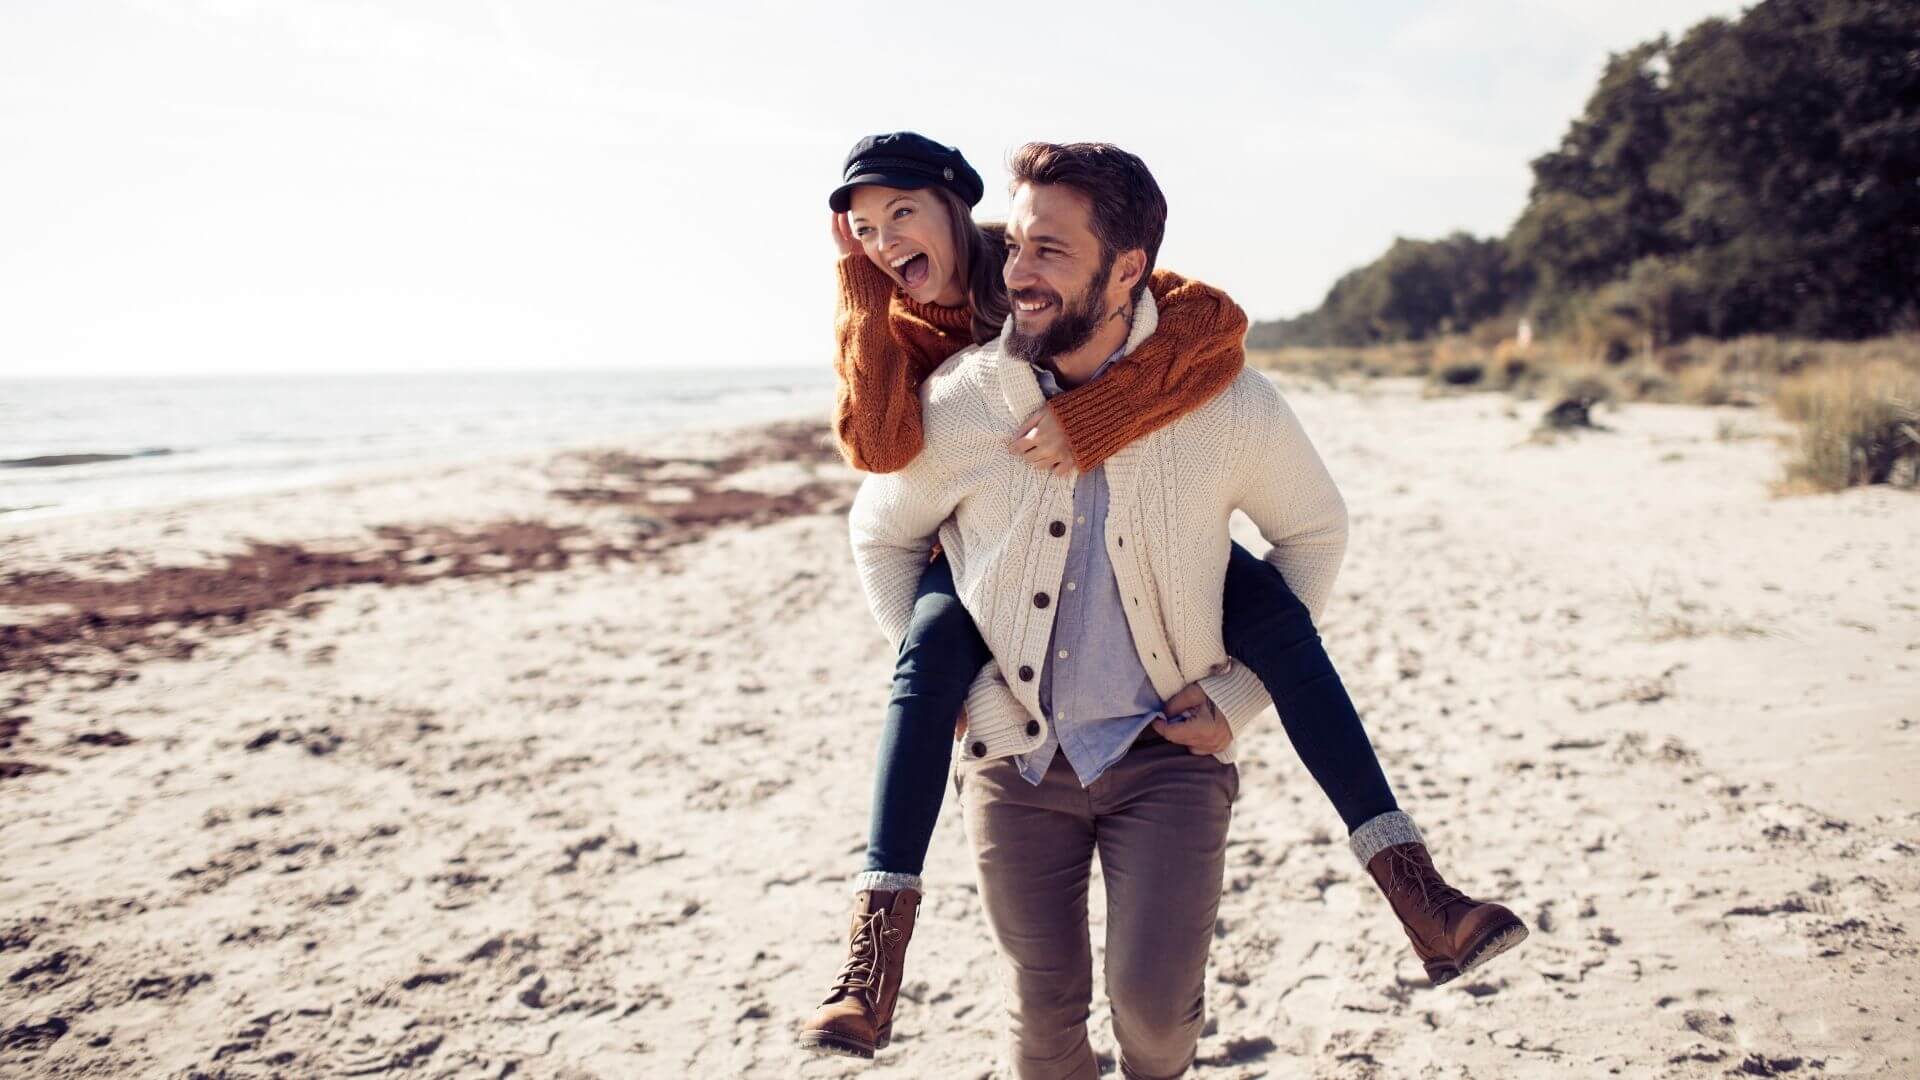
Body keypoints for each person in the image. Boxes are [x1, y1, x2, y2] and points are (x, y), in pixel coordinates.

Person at [799, 134, 1525, 1066]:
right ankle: (872, 954)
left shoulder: (1209, 386)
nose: (1020, 269)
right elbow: (877, 491)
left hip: (1165, 758)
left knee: (1154, 1013)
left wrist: (1233, 699)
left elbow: (1296, 491)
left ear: (1127, 266)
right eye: (1017, 245)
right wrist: (976, 699)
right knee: (1042, 1012)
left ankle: (1418, 887)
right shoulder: (960, 384)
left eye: (1049, 249)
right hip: (1015, 744)